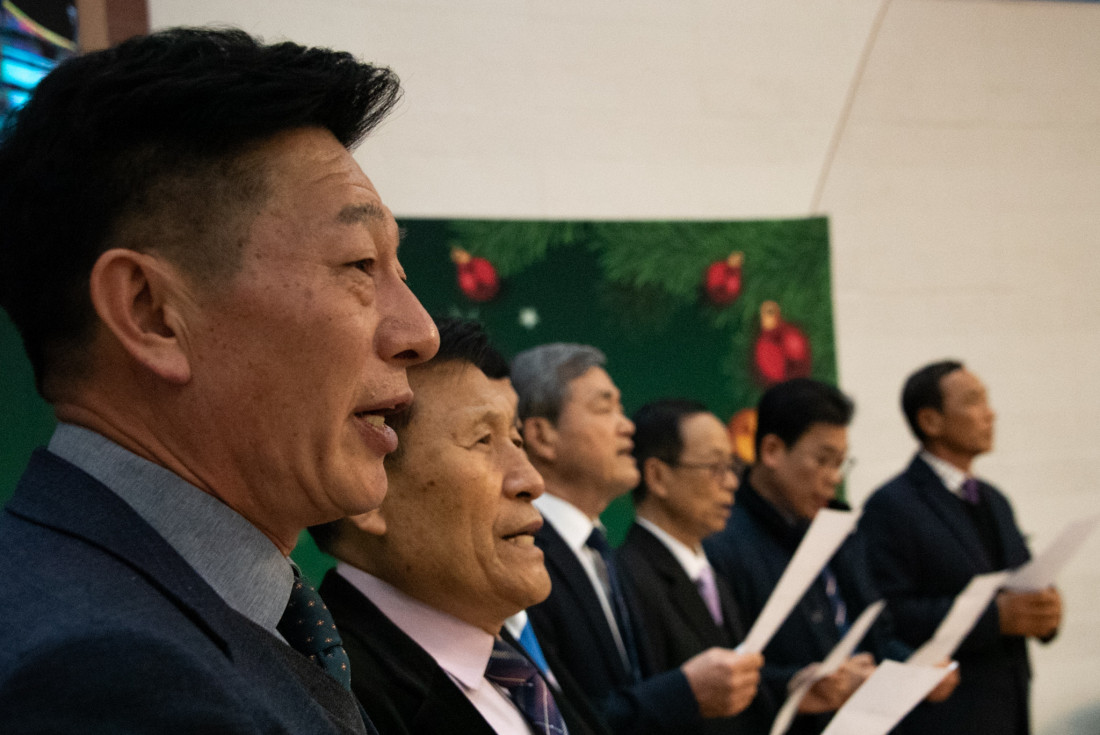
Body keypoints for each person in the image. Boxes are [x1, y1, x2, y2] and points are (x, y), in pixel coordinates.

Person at [0, 28, 438, 733]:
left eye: (400, 271)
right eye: (359, 264)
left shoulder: (189, 609)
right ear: (151, 312)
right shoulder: (109, 677)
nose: (421, 332)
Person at [309, 318, 608, 735]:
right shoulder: (329, 697)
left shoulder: (512, 663)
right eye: (483, 440)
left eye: (517, 441)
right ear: (367, 496)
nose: (532, 481)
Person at [511, 344, 762, 735]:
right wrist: (683, 693)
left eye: (621, 408)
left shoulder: (598, 551)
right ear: (542, 436)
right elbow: (557, 719)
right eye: (604, 408)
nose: (627, 426)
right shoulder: (523, 553)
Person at [704, 378, 955, 735]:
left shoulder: (839, 528)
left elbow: (875, 636)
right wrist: (804, 684)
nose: (834, 478)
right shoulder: (721, 544)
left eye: (840, 463)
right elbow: (723, 675)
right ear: (772, 450)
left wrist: (914, 669)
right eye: (822, 461)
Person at [859, 360, 1061, 735]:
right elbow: (886, 616)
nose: (990, 413)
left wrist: (1045, 609)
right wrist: (994, 619)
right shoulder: (892, 505)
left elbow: (1020, 582)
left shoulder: (995, 499)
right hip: (945, 715)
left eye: (986, 400)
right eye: (973, 401)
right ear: (930, 421)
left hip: (1009, 706)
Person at [617, 398, 769, 734]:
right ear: (657, 476)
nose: (731, 482)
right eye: (715, 467)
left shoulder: (712, 568)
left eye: (732, 467)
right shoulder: (628, 577)